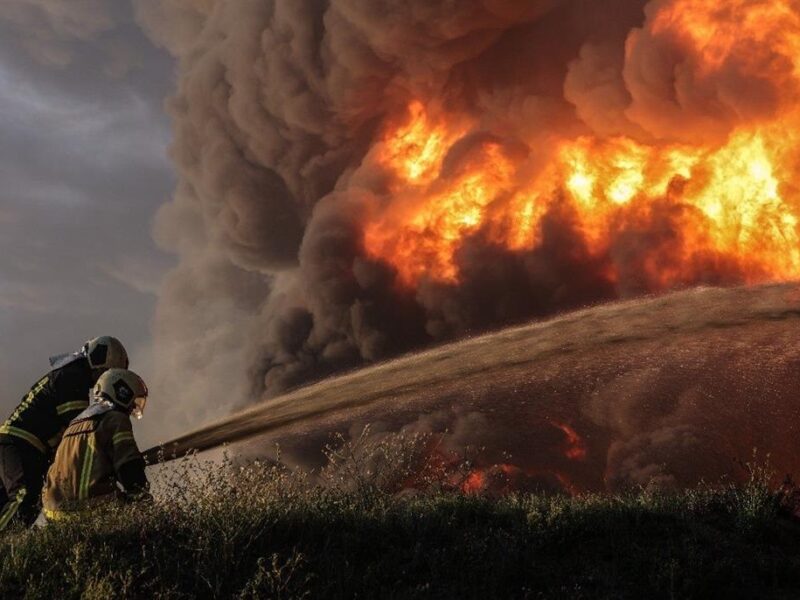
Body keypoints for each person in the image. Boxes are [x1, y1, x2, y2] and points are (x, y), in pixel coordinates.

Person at [0, 336, 129, 530]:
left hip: (14, 443)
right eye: (106, 371)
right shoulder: (73, 377)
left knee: (8, 502)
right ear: (101, 361)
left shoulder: (67, 373)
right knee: (24, 497)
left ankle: (11, 556)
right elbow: (77, 432)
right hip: (22, 444)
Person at [42, 368, 150, 520]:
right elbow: (128, 466)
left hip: (54, 513)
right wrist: (144, 500)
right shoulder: (116, 419)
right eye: (133, 400)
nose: (133, 407)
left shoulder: (74, 424)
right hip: (89, 509)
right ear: (121, 392)